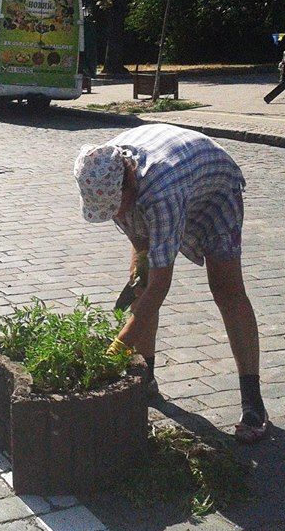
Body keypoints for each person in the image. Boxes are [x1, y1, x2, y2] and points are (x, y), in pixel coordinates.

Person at [73, 123, 267, 443]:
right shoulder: (101, 165)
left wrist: (115, 351)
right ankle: (146, 379)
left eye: (114, 208)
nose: (114, 216)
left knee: (226, 289)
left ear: (129, 183)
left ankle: (253, 404)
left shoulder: (162, 193)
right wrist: (140, 272)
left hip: (215, 189)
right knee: (139, 280)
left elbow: (159, 289)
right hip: (171, 175)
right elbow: (143, 269)